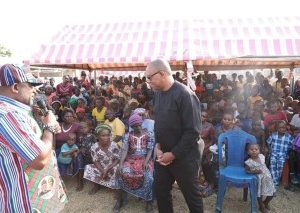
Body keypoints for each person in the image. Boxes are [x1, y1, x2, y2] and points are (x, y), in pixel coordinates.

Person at [0, 64, 61, 212]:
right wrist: (49, 126)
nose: (35, 90)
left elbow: (42, 145)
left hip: (37, 194)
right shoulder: (7, 114)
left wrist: (46, 127)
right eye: (31, 85)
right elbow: (39, 159)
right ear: (15, 87)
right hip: (23, 202)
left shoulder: (17, 111)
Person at [145, 58, 203, 212]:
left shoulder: (185, 95)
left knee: (192, 197)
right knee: (161, 191)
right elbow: (159, 123)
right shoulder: (157, 94)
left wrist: (174, 154)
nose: (148, 81)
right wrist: (158, 146)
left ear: (162, 73)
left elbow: (193, 131)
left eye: (149, 77)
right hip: (162, 155)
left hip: (184, 157)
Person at [116, 113, 154, 213]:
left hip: (145, 159)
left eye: (139, 125)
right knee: (120, 172)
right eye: (135, 126)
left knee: (149, 177)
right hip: (131, 159)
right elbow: (124, 150)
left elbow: (150, 149)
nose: (138, 127)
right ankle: (119, 201)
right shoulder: (128, 135)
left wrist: (146, 162)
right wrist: (120, 164)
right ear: (131, 126)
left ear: (141, 123)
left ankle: (149, 202)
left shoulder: (149, 134)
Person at [84, 124, 120, 195]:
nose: (106, 137)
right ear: (97, 136)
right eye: (103, 135)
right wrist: (103, 171)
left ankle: (113, 186)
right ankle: (96, 186)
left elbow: (117, 160)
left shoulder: (114, 145)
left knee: (117, 169)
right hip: (101, 167)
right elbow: (95, 161)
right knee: (88, 168)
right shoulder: (94, 147)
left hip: (112, 167)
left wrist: (107, 169)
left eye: (108, 135)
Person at [245, 144, 276, 213]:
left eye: (256, 149)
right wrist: (253, 171)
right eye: (251, 150)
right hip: (259, 180)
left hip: (268, 179)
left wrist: (266, 149)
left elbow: (265, 154)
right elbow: (246, 170)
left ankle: (265, 203)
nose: (254, 151)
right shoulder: (249, 162)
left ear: (259, 151)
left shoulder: (262, 156)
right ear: (248, 152)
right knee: (259, 194)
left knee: (273, 193)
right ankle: (261, 207)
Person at [267, 121, 294, 186]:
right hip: (274, 153)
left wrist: (289, 149)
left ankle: (276, 179)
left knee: (280, 167)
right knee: (272, 166)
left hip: (283, 154)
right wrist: (270, 150)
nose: (283, 129)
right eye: (280, 128)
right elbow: (268, 142)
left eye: (284, 127)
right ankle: (274, 182)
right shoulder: (273, 135)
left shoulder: (289, 136)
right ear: (277, 128)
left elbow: (293, 145)